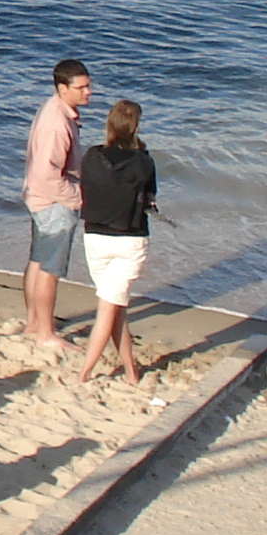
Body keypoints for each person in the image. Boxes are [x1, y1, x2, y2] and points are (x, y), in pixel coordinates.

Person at [77, 98, 157, 386]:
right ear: (136, 128)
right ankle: (85, 373)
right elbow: (150, 199)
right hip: (129, 240)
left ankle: (131, 372)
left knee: (113, 305)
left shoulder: (91, 156)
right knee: (111, 307)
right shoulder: (144, 162)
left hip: (95, 237)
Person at [22, 58, 90, 350]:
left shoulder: (54, 110)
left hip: (40, 199)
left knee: (38, 260)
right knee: (49, 268)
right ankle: (45, 334)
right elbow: (46, 174)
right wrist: (76, 199)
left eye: (88, 86)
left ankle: (35, 322)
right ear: (63, 88)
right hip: (53, 203)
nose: (88, 92)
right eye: (82, 88)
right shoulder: (57, 124)